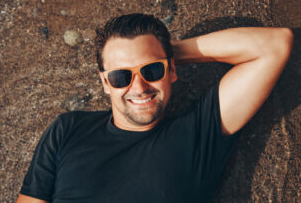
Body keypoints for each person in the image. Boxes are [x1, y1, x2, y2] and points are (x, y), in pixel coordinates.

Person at [16, 13, 293, 203]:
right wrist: (153, 59)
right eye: (120, 76)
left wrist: (168, 53)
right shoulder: (67, 130)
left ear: (172, 70)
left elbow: (275, 44)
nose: (138, 87)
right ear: (105, 83)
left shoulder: (196, 135)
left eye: (151, 70)